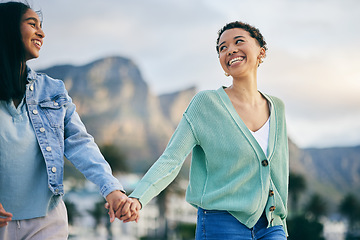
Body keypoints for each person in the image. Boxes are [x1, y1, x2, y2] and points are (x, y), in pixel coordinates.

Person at [124, 21, 289, 239]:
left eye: (238, 41)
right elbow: (171, 159)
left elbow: (279, 173)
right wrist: (138, 198)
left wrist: (281, 226)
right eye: (222, 48)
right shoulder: (205, 104)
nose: (230, 49)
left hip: (271, 224)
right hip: (221, 223)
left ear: (261, 52)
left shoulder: (277, 107)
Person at [0, 2, 133, 239]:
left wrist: (111, 188)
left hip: (46, 221)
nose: (41, 32)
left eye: (41, 26)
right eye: (32, 24)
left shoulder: (53, 90)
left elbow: (80, 142)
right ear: (7, 29)